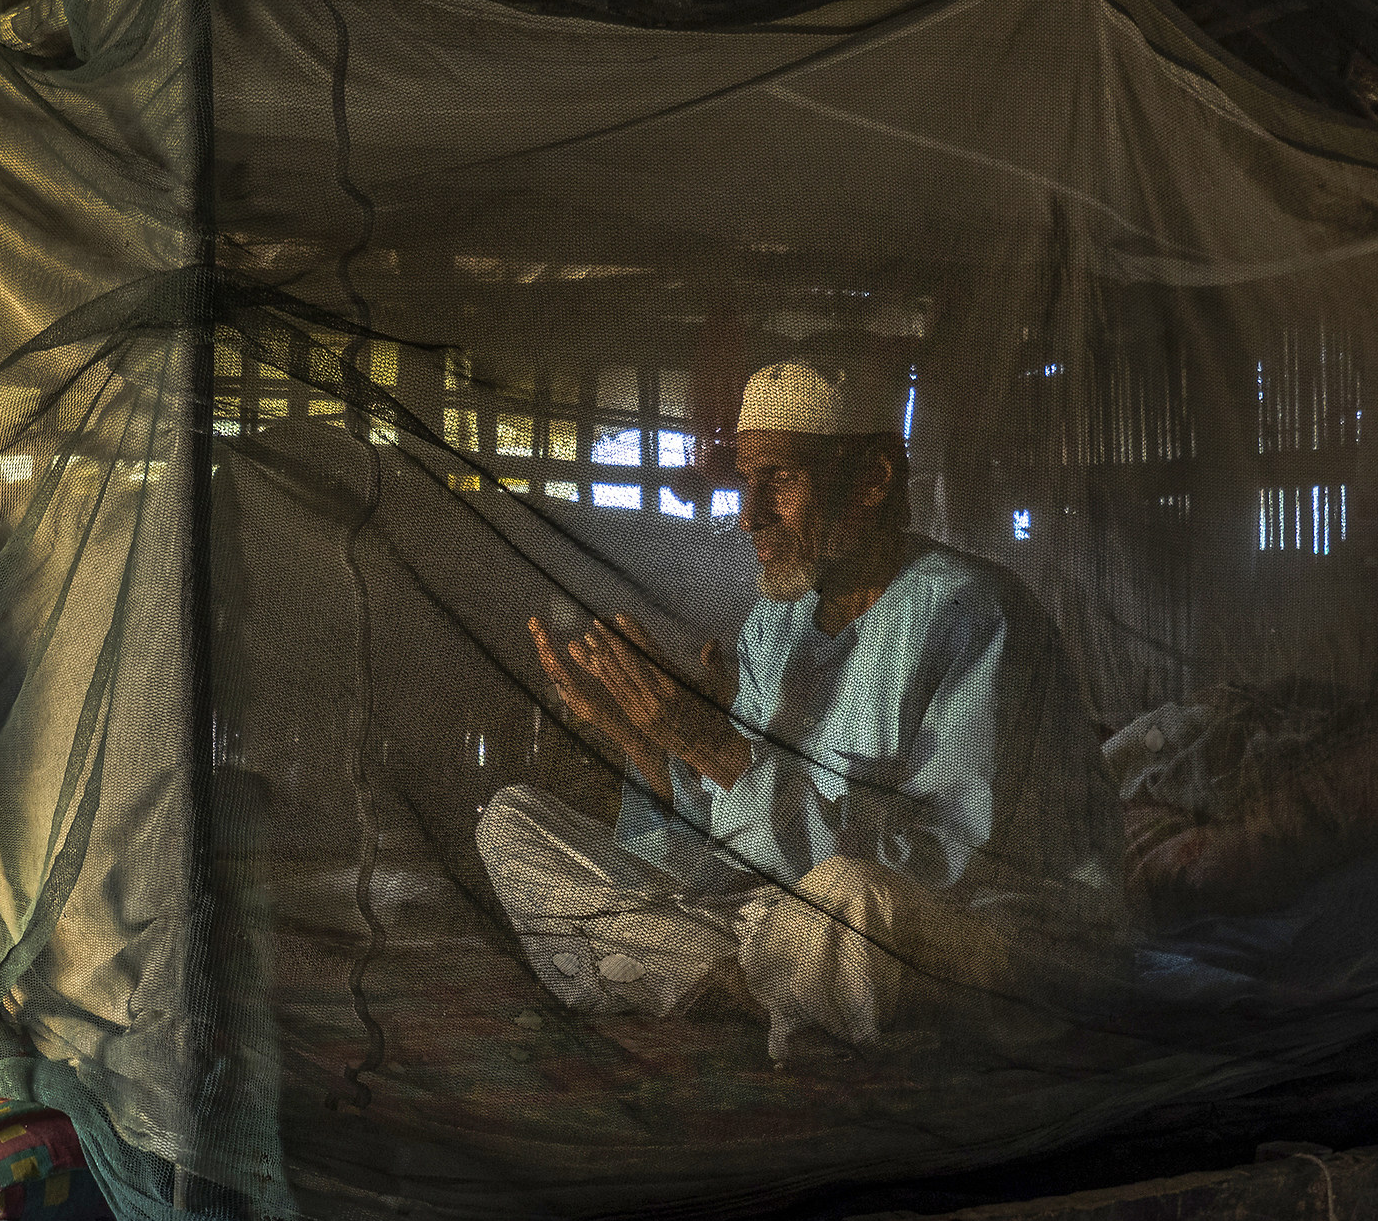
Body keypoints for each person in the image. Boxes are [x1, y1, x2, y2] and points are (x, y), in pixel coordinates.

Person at [476, 359, 1125, 1059]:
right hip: (784, 916)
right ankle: (761, 991)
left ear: (873, 479)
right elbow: (713, 860)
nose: (750, 514)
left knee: (852, 899)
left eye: (781, 479)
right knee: (513, 823)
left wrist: (715, 751)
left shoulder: (973, 614)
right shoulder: (772, 626)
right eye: (747, 481)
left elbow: (956, 864)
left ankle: (748, 986)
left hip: (967, 929)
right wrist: (647, 745)